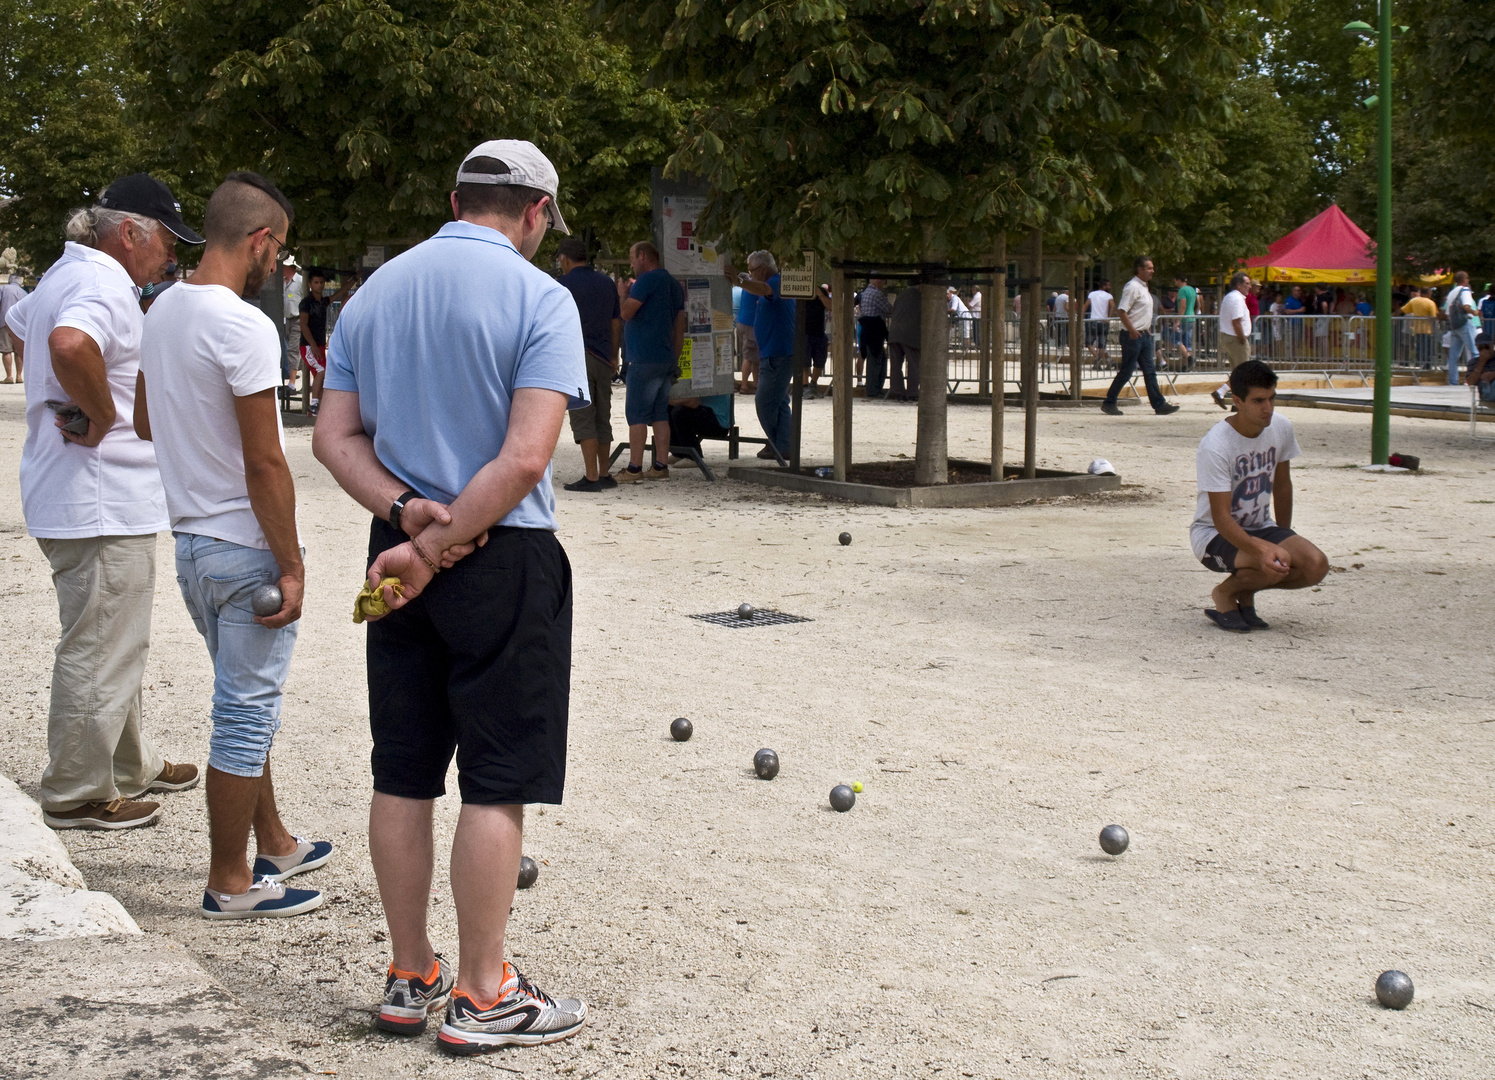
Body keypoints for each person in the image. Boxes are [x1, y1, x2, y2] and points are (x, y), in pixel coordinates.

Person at [312, 139, 590, 1052]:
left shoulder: (371, 296)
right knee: (496, 780)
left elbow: (334, 438)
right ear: (536, 212)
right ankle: (483, 992)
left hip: (392, 552)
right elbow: (523, 457)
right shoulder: (539, 298)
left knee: (402, 766)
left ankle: (409, 971)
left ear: (454, 198)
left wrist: (407, 522)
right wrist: (445, 541)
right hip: (499, 554)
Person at [136, 172, 330, 918]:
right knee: (246, 714)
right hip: (245, 548)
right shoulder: (243, 326)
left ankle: (273, 840)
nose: (278, 266)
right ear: (259, 240)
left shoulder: (161, 309)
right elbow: (264, 462)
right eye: (278, 252)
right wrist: (291, 561)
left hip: (189, 542)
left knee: (241, 700)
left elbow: (148, 423)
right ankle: (230, 881)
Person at [4, 174, 202, 831]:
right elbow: (66, 343)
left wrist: (56, 400)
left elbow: (21, 324)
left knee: (115, 641)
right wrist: (100, 408)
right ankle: (77, 790)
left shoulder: (67, 272)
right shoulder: (102, 283)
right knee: (101, 646)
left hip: (78, 493)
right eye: (167, 241)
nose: (171, 256)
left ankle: (126, 764)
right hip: (99, 498)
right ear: (130, 234)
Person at [1194, 360, 1328, 632]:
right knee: (1278, 559)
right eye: (1258, 401)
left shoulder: (1280, 427)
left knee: (1316, 565)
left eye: (1271, 398)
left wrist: (1284, 533)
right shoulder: (1215, 445)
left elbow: (1282, 485)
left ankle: (1245, 592)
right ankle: (1225, 594)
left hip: (1262, 526)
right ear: (1238, 401)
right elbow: (1220, 518)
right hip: (1213, 536)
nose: (1268, 408)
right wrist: (1265, 550)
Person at [555, 237, 621, 491]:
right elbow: (616, 323)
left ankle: (591, 476)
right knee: (603, 415)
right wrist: (614, 355)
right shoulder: (607, 283)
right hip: (604, 357)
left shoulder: (562, 285)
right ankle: (605, 472)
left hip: (576, 356)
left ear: (565, 259)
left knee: (583, 415)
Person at [618, 241, 684, 481]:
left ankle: (634, 468)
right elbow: (680, 327)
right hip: (665, 358)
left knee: (636, 414)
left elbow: (626, 313)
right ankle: (660, 466)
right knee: (659, 414)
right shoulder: (674, 285)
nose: (631, 263)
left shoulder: (646, 281)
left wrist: (623, 294)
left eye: (632, 258)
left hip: (643, 358)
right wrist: (673, 359)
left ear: (643, 256)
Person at [728, 250, 796, 458]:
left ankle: (778, 443)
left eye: (751, 271)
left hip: (778, 352)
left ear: (763, 269)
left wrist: (739, 281)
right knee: (779, 401)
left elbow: (763, 288)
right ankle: (782, 444)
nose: (750, 275)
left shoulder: (775, 282)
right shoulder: (775, 283)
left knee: (764, 401)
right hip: (773, 351)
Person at [1101, 257, 1178, 417]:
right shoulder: (1132, 287)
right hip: (1132, 335)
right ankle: (1109, 402)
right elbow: (1122, 310)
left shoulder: (1144, 287)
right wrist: (1132, 330)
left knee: (1150, 371)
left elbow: (1140, 312)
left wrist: (1145, 328)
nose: (1152, 271)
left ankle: (1159, 404)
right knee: (1127, 370)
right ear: (1140, 269)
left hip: (1143, 334)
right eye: (1149, 268)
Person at [298, 270, 352, 414]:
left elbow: (340, 292)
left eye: (321, 282)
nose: (320, 285)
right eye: (316, 282)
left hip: (320, 345)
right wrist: (313, 346)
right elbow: (303, 325)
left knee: (323, 376)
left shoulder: (323, 302)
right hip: (308, 346)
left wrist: (355, 278)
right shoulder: (306, 303)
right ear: (310, 284)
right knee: (321, 371)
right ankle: (314, 403)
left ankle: (317, 409)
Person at [856, 277, 891, 396]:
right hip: (875, 330)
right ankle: (873, 390)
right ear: (877, 280)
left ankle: (873, 388)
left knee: (873, 358)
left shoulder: (865, 293)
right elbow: (889, 309)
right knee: (875, 361)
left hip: (867, 329)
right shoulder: (877, 294)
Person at [1444, 271, 1479, 386]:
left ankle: (1453, 381)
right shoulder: (1465, 290)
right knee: (1474, 352)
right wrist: (1474, 312)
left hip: (1454, 325)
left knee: (1453, 355)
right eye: (1468, 278)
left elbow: (1447, 311)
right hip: (1464, 323)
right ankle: (1473, 379)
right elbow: (1466, 306)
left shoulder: (1451, 293)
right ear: (1464, 279)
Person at [887, 285, 921, 401]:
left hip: (895, 333)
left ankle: (897, 392)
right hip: (910, 334)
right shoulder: (920, 297)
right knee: (914, 364)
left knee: (895, 365)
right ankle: (912, 392)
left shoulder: (901, 296)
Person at [1218, 271, 1253, 368]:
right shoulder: (1237, 299)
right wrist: (1242, 339)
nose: (1250, 286)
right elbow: (1236, 322)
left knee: (1236, 371)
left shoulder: (1229, 297)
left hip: (1230, 337)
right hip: (1236, 338)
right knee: (1243, 370)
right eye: (1247, 283)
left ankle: (1232, 384)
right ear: (1239, 285)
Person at [804, 284, 831, 397]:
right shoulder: (800, 290)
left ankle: (813, 384)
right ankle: (804, 387)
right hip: (803, 332)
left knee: (820, 361)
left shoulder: (821, 291)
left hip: (819, 332)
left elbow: (830, 306)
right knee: (804, 362)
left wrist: (820, 294)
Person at [1400, 287, 1438, 369]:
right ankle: (1427, 365)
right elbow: (1433, 317)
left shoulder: (1414, 301)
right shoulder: (1430, 303)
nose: (1431, 294)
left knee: (1419, 347)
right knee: (1427, 348)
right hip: (1427, 329)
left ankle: (1420, 363)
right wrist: (1434, 329)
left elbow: (1405, 310)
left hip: (1417, 329)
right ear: (1427, 293)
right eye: (1430, 292)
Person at [281, 259, 304, 387]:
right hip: (287, 320)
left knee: (293, 350)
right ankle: (291, 375)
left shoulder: (300, 281)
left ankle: (292, 382)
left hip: (298, 320)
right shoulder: (283, 282)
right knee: (289, 350)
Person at [733, 282, 759, 394]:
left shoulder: (747, 286)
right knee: (748, 356)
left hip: (742, 321)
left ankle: (756, 385)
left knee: (754, 356)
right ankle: (744, 386)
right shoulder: (756, 286)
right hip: (750, 323)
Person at [1, 273, 26, 382]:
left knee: (6, 351)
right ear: (21, 282)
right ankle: (19, 376)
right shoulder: (24, 292)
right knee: (18, 350)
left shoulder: (3, 288)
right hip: (19, 324)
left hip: (4, 322)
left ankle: (9, 376)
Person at [1173, 274, 1197, 368]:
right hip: (1192, 317)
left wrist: (1178, 320)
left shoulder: (1182, 290)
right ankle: (1185, 366)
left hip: (1184, 319)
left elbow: (1183, 305)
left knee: (1175, 339)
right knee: (1187, 342)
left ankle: (1189, 357)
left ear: (1178, 280)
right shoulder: (1191, 289)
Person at [1086, 279, 1113, 362]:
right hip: (1104, 321)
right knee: (1102, 344)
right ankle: (1100, 359)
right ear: (1104, 286)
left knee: (1089, 343)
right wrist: (1108, 317)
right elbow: (1113, 306)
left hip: (1093, 320)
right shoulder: (1109, 296)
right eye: (1108, 285)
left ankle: (1097, 358)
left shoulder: (1092, 294)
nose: (1110, 287)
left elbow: (1086, 305)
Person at [1465, 332, 1495, 402]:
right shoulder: (1473, 362)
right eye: (1481, 348)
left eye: (1486, 347)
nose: (1484, 350)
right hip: (1486, 391)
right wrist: (1481, 362)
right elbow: (1471, 382)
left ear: (1492, 345)